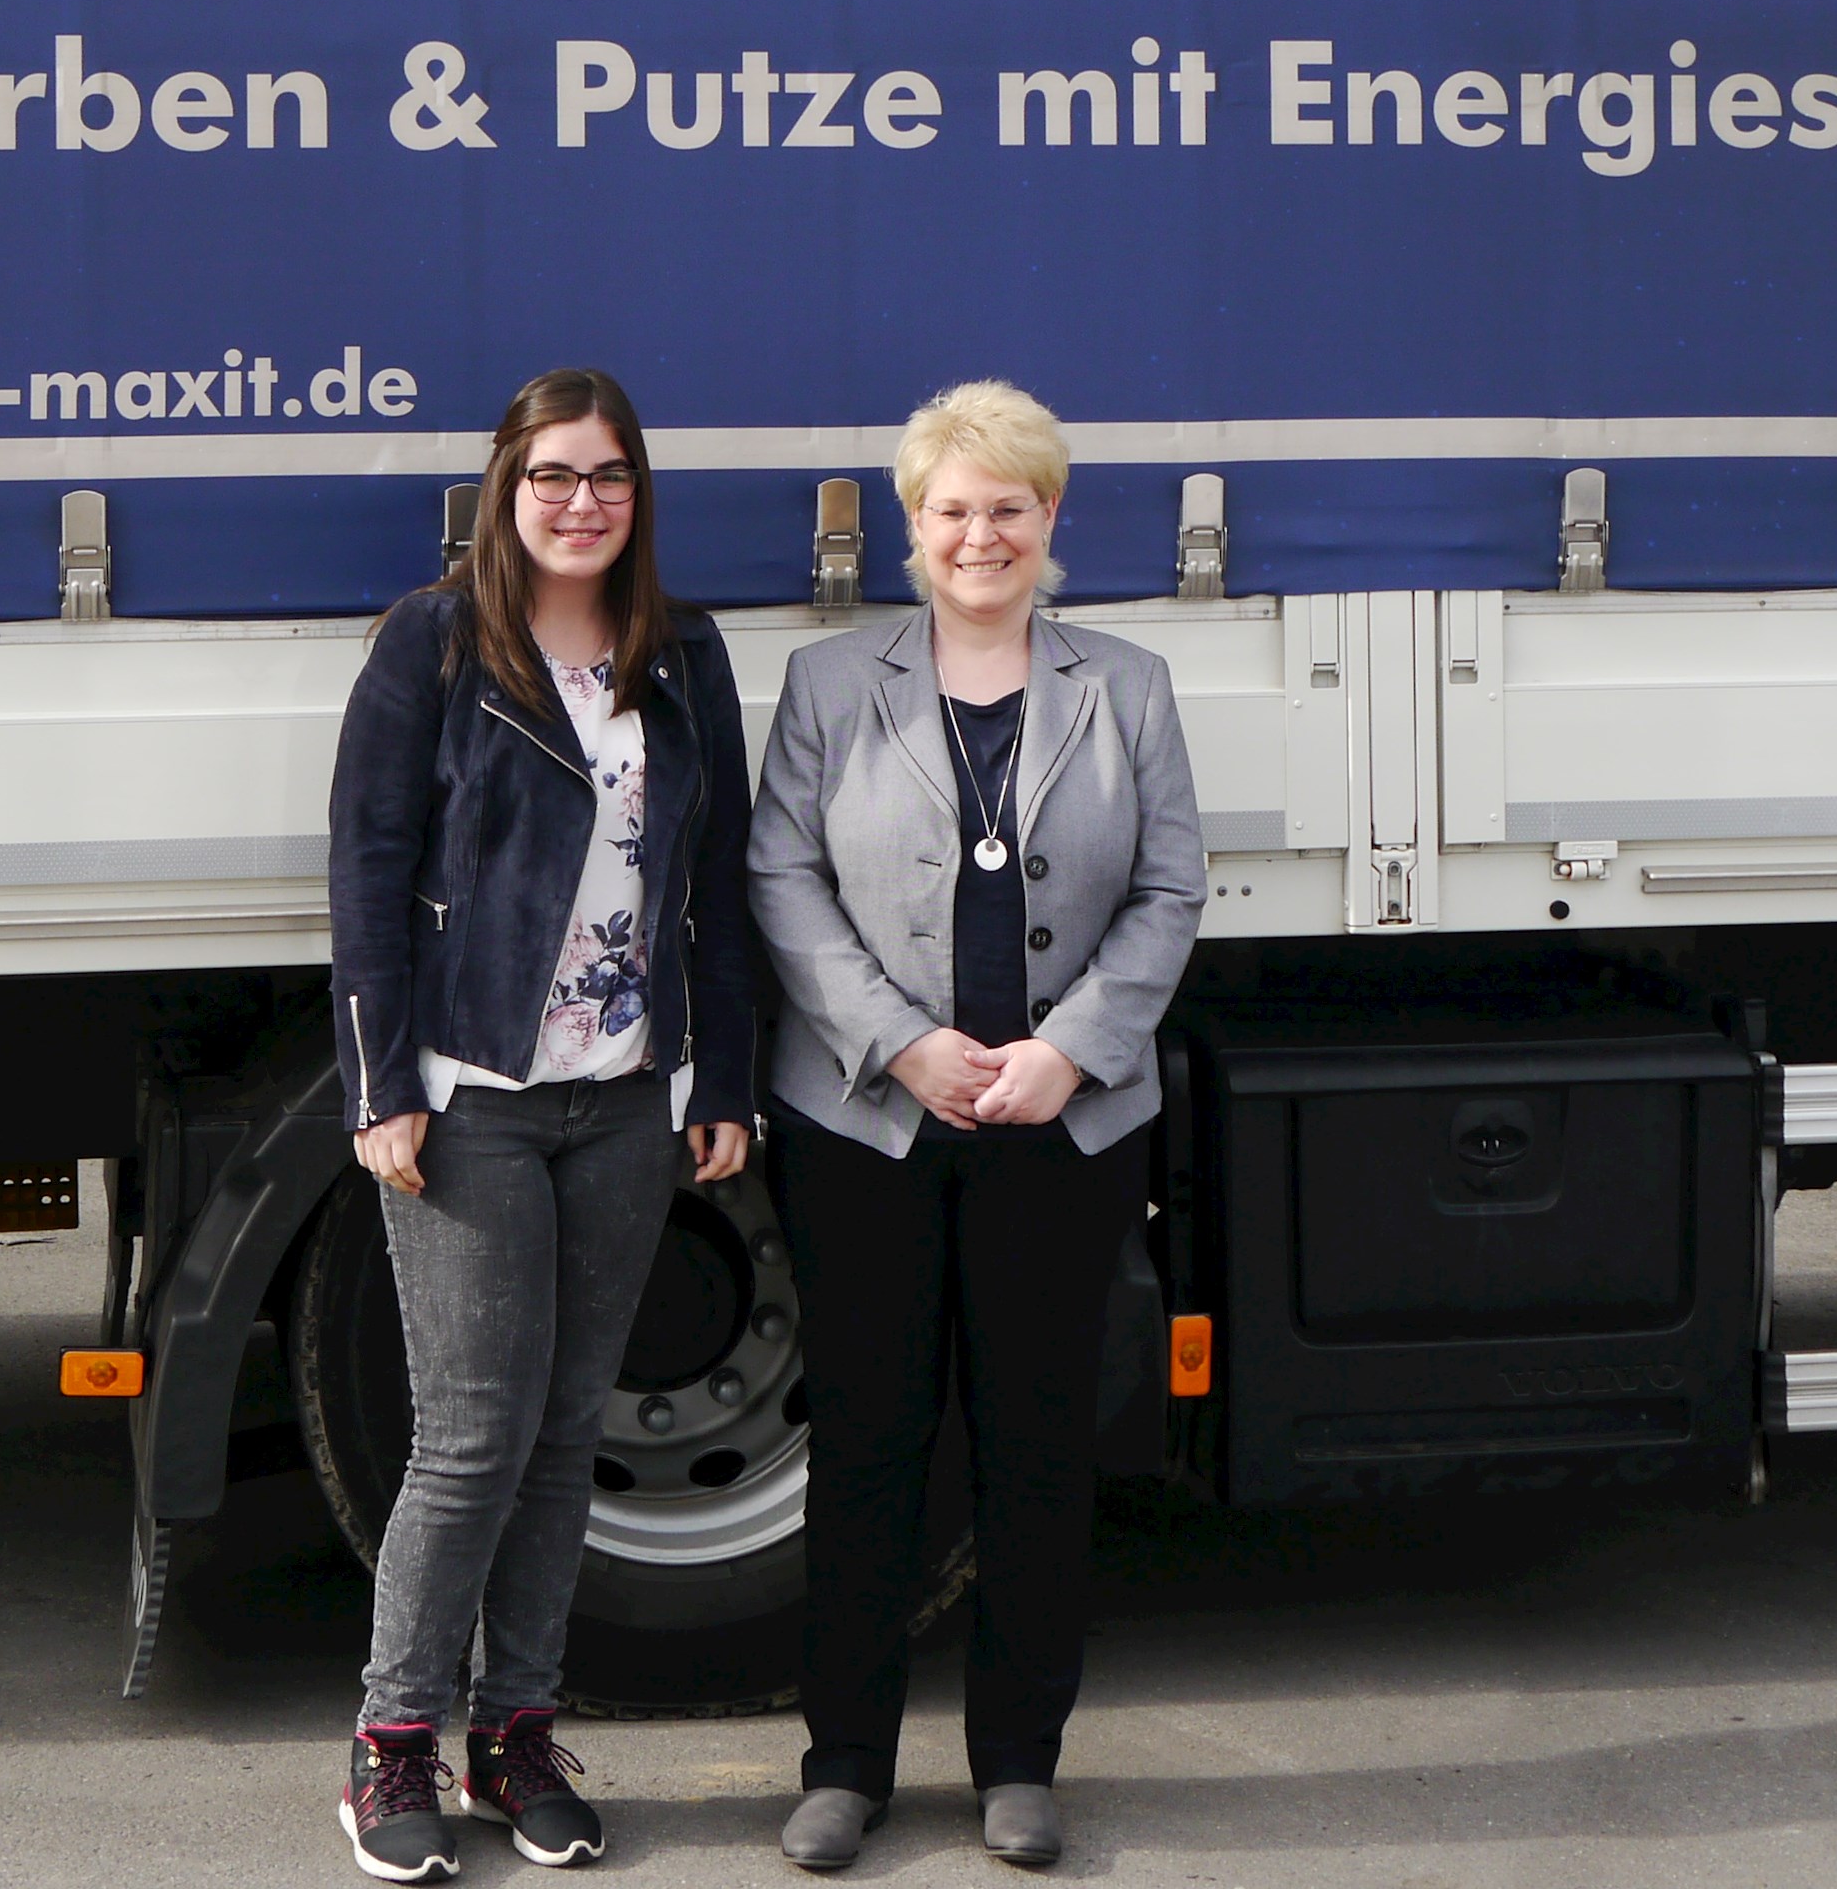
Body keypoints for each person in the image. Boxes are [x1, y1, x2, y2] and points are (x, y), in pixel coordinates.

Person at [746, 380, 1206, 1873]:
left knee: (1038, 1449)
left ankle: (1018, 1762)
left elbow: (1171, 892)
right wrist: (902, 1043)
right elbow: (781, 881)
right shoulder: (832, 684)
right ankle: (845, 1766)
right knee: (868, 1445)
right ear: (914, 521)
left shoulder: (1126, 686)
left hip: (1060, 1134)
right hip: (870, 1128)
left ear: (1049, 515)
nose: (980, 535)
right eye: (953, 509)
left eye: (1009, 506)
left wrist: (1069, 1054)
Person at [324, 367, 758, 1881]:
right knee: (472, 1438)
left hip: (627, 1096)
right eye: (554, 475)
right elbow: (367, 874)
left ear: (640, 494)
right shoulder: (436, 642)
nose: (583, 501)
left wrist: (723, 1076)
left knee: (568, 1432)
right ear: (507, 490)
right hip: (474, 1099)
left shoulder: (683, 651)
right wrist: (380, 1086)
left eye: (609, 475)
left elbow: (721, 880)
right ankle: (391, 1745)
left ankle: (514, 1735)